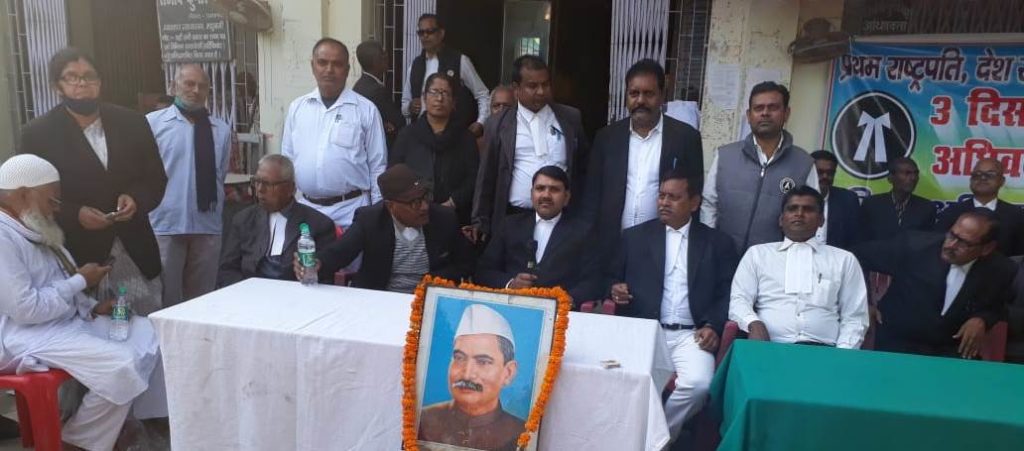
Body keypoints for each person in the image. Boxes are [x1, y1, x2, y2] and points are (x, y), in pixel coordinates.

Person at [0, 155, 164, 451]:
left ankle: (127, 425)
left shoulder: (32, 226)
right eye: (51, 200)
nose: (56, 209)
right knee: (120, 365)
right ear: (23, 195)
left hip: (63, 324)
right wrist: (80, 281)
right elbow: (26, 310)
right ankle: (79, 441)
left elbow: (54, 285)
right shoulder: (3, 236)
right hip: (24, 336)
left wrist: (92, 307)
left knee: (154, 333)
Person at [19, 47, 168, 315]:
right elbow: (27, 198)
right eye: (72, 77)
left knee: (144, 324)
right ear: (57, 86)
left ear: (100, 82)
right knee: (90, 329)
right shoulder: (38, 134)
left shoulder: (132, 123)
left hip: (135, 249)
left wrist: (135, 199)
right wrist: (75, 213)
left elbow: (156, 178)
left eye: (89, 76)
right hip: (77, 258)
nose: (82, 83)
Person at [607, 169, 737, 442]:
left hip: (691, 334)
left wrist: (713, 325)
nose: (664, 203)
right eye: (661, 196)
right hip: (646, 331)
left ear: (694, 202)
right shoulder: (634, 237)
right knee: (627, 381)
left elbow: (727, 292)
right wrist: (614, 288)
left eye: (674, 197)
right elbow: (609, 277)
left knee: (698, 385)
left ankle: (655, 440)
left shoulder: (717, 243)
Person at [583, 59, 703, 263]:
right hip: (611, 246)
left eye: (648, 94)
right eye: (634, 93)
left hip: (662, 248)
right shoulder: (607, 138)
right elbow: (592, 196)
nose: (640, 100)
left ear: (662, 96)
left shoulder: (685, 138)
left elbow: (694, 197)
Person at [855, 209, 1017, 358]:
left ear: (987, 248)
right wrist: (865, 303)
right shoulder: (914, 246)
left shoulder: (1001, 270)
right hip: (898, 344)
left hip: (952, 350)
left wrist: (982, 319)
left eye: (963, 243)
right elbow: (856, 256)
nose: (951, 245)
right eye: (952, 235)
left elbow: (997, 306)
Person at [729, 186, 869, 348]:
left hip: (825, 351)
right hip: (769, 348)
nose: (799, 214)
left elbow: (855, 317)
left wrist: (842, 354)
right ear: (781, 219)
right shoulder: (758, 255)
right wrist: (753, 323)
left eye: (808, 209)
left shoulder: (844, 259)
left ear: (821, 220)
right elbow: (739, 300)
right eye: (792, 208)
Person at [301, 164, 474, 292]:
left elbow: (466, 264)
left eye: (425, 197)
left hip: (429, 298)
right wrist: (317, 263)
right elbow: (340, 252)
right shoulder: (369, 220)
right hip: (381, 297)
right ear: (391, 206)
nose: (424, 207)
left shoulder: (444, 218)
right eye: (414, 202)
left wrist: (434, 281)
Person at [473, 55, 588, 240]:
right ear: (516, 88)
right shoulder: (498, 124)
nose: (541, 92)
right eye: (533, 86)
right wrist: (480, 221)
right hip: (515, 218)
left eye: (545, 85)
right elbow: (487, 175)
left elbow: (582, 169)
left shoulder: (570, 118)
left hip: (562, 220)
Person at [146, 64, 232, 307]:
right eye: (189, 84)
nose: (195, 90)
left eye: (202, 86)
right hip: (166, 222)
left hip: (206, 224)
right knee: (166, 298)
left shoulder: (220, 129)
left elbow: (220, 173)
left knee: (201, 300)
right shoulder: (152, 124)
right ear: (174, 87)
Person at [700, 81, 818, 254]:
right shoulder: (726, 156)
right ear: (749, 116)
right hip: (723, 257)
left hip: (774, 261)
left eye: (773, 107)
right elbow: (709, 204)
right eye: (758, 108)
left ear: (786, 113)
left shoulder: (803, 163)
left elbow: (815, 216)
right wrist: (708, 246)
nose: (765, 113)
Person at [281, 38, 388, 229]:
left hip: (351, 212)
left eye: (337, 64)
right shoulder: (297, 108)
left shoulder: (366, 110)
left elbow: (377, 166)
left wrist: (376, 213)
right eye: (322, 62)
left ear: (347, 69)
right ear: (312, 66)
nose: (329, 70)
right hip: (306, 211)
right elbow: (287, 159)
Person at [476, 166, 598, 303]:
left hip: (561, 312)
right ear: (531, 194)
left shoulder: (583, 231)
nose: (546, 195)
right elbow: (483, 271)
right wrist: (511, 284)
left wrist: (567, 299)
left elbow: (593, 280)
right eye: (540, 188)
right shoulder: (510, 226)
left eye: (554, 190)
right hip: (512, 308)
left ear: (566, 197)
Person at [418, 303, 524, 451]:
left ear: (508, 373)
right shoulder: (422, 420)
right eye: (459, 358)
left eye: (483, 362)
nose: (467, 375)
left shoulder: (523, 434)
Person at [218, 155, 335, 286]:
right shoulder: (243, 219)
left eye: (268, 184)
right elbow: (226, 270)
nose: (260, 190)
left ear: (290, 188)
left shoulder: (319, 225)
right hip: (250, 293)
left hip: (295, 294)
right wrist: (249, 291)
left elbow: (323, 278)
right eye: (257, 182)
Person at [390, 73, 479, 225]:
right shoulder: (408, 135)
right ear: (424, 97)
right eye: (434, 92)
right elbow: (394, 171)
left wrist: (453, 202)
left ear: (453, 101)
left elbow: (474, 177)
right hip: (413, 213)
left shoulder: (465, 138)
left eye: (445, 93)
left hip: (454, 216)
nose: (439, 98)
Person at [402, 14, 490, 136]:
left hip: (453, 134)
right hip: (421, 135)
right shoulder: (415, 65)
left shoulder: (459, 61)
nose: (425, 36)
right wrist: (410, 107)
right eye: (421, 33)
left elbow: (482, 94)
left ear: (441, 33)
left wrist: (480, 122)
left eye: (430, 31)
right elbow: (405, 104)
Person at [934, 158, 1023, 256]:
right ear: (971, 179)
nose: (983, 178)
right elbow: (938, 249)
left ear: (1002, 181)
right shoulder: (951, 212)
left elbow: (1019, 255)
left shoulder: (1017, 215)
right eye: (977, 174)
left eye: (990, 174)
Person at [860, 157, 936, 241]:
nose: (913, 178)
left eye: (916, 173)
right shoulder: (872, 204)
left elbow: (928, 242)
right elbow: (862, 239)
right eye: (907, 173)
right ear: (890, 178)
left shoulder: (926, 208)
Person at [354, 40, 405, 149]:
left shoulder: (358, 85)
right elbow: (399, 122)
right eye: (384, 56)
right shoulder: (377, 91)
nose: (388, 58)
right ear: (376, 61)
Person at [810, 150, 861, 250]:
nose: (825, 176)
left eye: (830, 173)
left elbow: (855, 239)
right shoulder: (795, 198)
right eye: (820, 172)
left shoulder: (847, 200)